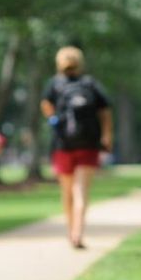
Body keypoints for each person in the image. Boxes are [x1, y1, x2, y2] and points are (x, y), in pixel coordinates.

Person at [41, 46, 113, 249]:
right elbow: (105, 110)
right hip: (88, 144)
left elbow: (45, 105)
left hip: (63, 144)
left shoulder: (54, 84)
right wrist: (107, 135)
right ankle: (78, 233)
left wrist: (53, 118)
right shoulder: (89, 84)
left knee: (67, 192)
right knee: (81, 190)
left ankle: (70, 230)